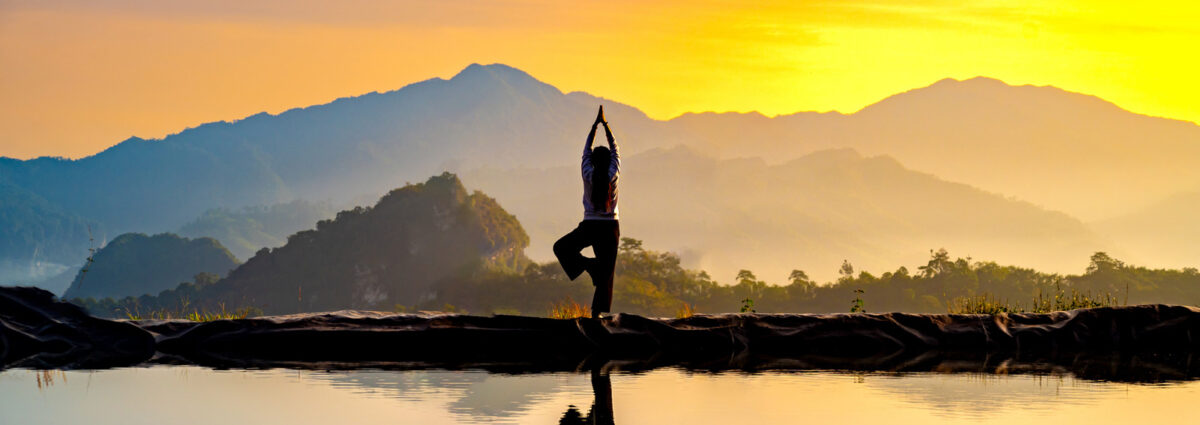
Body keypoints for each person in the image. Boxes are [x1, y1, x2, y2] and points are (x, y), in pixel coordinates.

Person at [553, 105, 620, 319]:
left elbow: (586, 151)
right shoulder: (613, 174)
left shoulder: (587, 173)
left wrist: (595, 126)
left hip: (590, 226)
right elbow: (616, 149)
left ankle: (590, 266)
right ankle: (596, 315)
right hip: (610, 227)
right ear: (609, 161)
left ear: (592, 162)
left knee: (562, 248)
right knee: (606, 272)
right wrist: (606, 125)